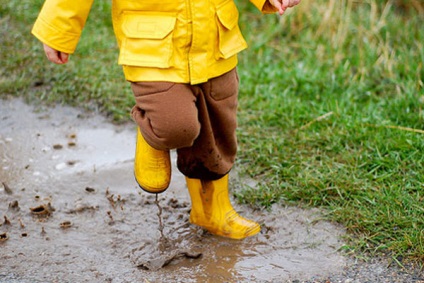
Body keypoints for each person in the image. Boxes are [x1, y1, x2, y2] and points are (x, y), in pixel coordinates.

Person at [32, 0, 301, 240]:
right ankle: (152, 127)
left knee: (219, 128)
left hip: (215, 39)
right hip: (153, 47)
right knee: (174, 124)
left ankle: (213, 211)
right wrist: (59, 31)